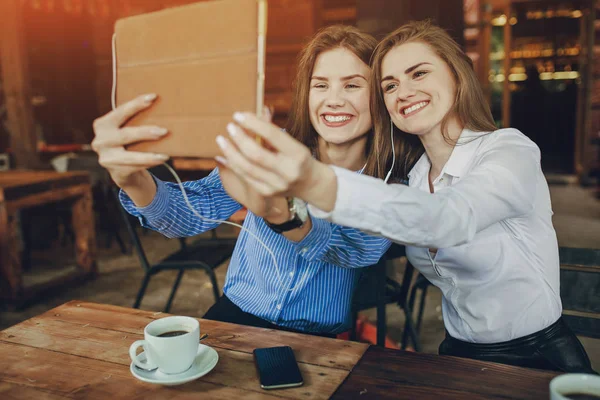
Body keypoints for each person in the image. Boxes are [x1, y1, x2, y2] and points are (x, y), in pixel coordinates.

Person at [216, 21, 596, 373]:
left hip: (538, 355)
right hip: (457, 353)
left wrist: (315, 180)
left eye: (419, 73)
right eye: (390, 85)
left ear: (457, 75)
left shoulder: (508, 149)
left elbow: (450, 218)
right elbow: (353, 242)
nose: (405, 91)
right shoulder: (408, 179)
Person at [91, 25, 390, 336]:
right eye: (321, 85)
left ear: (379, 96)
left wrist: (282, 211)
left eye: (353, 85)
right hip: (235, 313)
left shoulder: (387, 180)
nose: (334, 100)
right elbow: (187, 215)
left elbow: (354, 250)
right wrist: (132, 179)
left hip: (319, 337)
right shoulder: (269, 147)